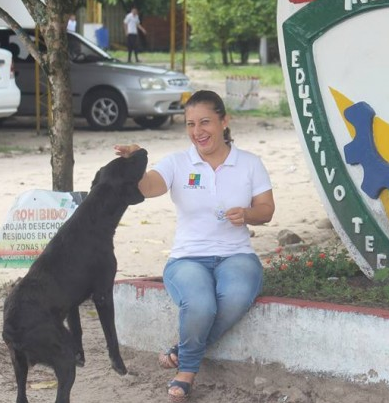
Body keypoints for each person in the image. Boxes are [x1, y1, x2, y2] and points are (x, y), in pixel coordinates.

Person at [114, 90, 275, 402]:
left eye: (205, 122)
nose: (197, 131)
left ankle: (182, 354)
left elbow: (266, 210)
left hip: (237, 255)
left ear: (224, 121)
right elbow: (148, 187)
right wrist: (137, 161)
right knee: (200, 305)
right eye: (190, 124)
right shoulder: (177, 162)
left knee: (236, 297)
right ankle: (188, 368)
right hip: (187, 258)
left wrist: (248, 214)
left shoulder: (250, 163)